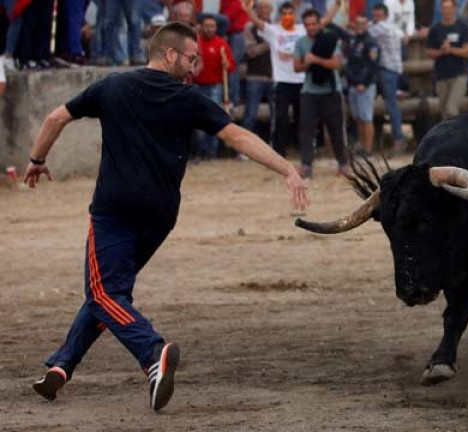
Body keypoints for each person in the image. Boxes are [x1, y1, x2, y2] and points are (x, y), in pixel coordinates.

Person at [25, 22, 308, 412]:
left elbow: (56, 118)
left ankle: (152, 352)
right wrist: (287, 169)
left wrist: (37, 160)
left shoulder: (113, 86)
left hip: (115, 210)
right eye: (192, 59)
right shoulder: (187, 99)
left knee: (104, 293)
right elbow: (237, 137)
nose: (194, 68)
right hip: (159, 216)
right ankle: (62, 365)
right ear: (170, 54)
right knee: (111, 291)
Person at [243, 0, 307, 157]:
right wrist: (247, 9)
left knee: (302, 118)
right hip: (281, 81)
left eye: (290, 13)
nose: (287, 16)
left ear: (294, 14)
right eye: (284, 13)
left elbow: (322, 24)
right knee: (280, 118)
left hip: (301, 80)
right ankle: (279, 151)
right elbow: (257, 22)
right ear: (280, 15)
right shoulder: (274, 30)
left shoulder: (302, 29)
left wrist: (337, 5)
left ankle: (302, 149)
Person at [293, 7, 348, 177]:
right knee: (306, 129)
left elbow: (336, 64)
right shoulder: (301, 42)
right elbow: (296, 67)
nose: (310, 27)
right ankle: (306, 165)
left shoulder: (330, 39)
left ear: (319, 24)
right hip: (309, 91)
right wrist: (307, 63)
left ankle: (343, 164)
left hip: (331, 91)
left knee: (336, 129)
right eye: (307, 24)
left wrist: (315, 59)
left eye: (313, 24)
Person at [194, 15, 237, 158]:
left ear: (216, 28)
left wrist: (227, 64)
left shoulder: (221, 44)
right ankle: (200, 151)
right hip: (197, 85)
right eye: (206, 26)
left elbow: (231, 66)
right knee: (198, 120)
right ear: (201, 26)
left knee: (212, 120)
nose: (209, 29)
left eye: (212, 26)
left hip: (215, 87)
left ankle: (211, 153)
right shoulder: (196, 42)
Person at [369, 3, 406, 154]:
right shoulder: (393, 27)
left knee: (391, 105)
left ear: (384, 15)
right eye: (375, 15)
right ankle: (396, 139)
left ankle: (398, 139)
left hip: (387, 69)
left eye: (378, 15)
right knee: (390, 104)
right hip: (390, 69)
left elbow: (364, 31)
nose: (376, 18)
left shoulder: (382, 28)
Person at [426, 0, 468, 120]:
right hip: (441, 75)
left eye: (450, 8)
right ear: (441, 9)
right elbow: (429, 52)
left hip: (459, 74)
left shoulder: (463, 27)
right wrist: (441, 52)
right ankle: (450, 137)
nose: (447, 11)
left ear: (454, 9)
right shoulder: (435, 29)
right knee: (444, 112)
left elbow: (467, 51)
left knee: (451, 109)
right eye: (444, 8)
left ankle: (459, 135)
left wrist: (450, 50)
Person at [346, 13, 380, 156]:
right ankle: (361, 145)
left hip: (365, 86)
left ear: (367, 25)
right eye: (357, 23)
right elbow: (350, 63)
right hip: (353, 85)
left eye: (363, 23)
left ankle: (368, 149)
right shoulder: (353, 41)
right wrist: (352, 82)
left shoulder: (371, 42)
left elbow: (373, 66)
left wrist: (364, 84)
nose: (360, 26)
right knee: (358, 117)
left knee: (367, 118)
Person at [242, 0, 276, 138]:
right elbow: (250, 51)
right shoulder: (249, 27)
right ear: (256, 10)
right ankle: (243, 149)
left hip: (274, 77)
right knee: (250, 114)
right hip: (255, 76)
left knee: (277, 115)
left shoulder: (277, 27)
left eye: (267, 7)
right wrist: (270, 43)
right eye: (261, 7)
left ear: (271, 9)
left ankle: (276, 146)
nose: (264, 10)